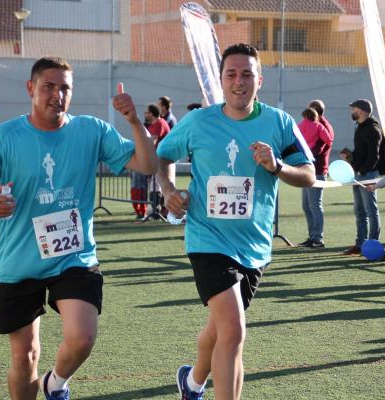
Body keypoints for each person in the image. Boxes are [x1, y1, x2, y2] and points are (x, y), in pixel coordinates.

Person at [0, 56, 157, 400]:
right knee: (25, 356)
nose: (57, 95)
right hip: (20, 261)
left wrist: (134, 121)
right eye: (48, 86)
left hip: (73, 257)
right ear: (31, 88)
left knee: (82, 338)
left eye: (65, 88)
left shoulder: (91, 130)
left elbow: (147, 164)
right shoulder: (4, 137)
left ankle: (55, 383)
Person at [156, 43, 315, 400]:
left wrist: (278, 166)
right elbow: (163, 154)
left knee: (221, 328)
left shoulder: (279, 122)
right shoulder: (199, 121)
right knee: (233, 329)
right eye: (231, 74)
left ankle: (193, 381)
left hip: (255, 245)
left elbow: (308, 174)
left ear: (259, 79)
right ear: (221, 79)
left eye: (246, 74)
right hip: (207, 238)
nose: (239, 81)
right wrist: (168, 189)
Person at [344, 99, 382, 256]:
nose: (351, 111)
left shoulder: (373, 129)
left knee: (371, 210)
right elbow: (360, 152)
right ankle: (360, 244)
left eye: (354, 109)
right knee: (359, 211)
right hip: (357, 174)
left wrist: (363, 171)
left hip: (367, 175)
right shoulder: (359, 127)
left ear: (362, 111)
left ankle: (372, 243)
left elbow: (375, 156)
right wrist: (350, 156)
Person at [297, 106, 333, 248]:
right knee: (314, 205)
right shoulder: (319, 126)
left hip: (304, 168)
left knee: (307, 206)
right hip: (316, 169)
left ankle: (314, 237)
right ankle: (316, 237)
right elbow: (329, 140)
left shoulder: (300, 125)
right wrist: (318, 150)